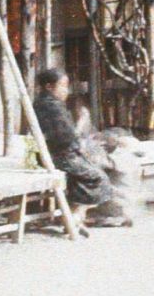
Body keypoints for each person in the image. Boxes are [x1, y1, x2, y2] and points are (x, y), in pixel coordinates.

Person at [32, 68, 114, 209]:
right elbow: (65, 138)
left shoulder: (43, 103)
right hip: (60, 157)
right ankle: (76, 215)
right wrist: (82, 123)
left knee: (95, 165)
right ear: (49, 87)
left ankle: (77, 215)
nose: (66, 91)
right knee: (99, 178)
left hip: (53, 154)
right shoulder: (52, 107)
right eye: (63, 86)